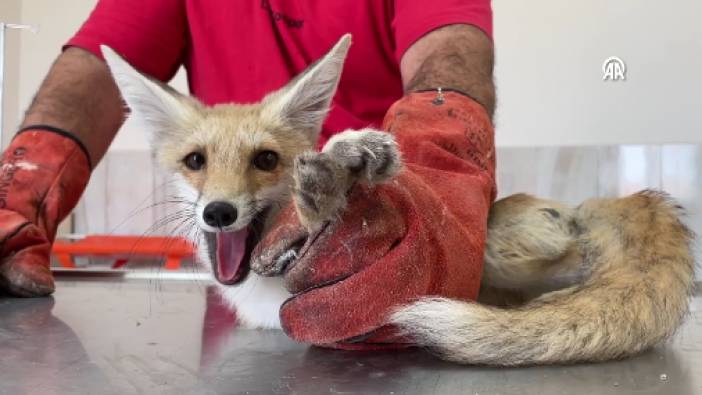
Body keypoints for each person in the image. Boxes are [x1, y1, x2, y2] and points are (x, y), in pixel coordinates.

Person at [0, 0, 495, 346]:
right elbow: (94, 71)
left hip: (392, 223)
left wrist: (435, 182)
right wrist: (18, 194)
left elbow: (451, 51)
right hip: (246, 327)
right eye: (196, 163)